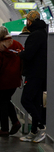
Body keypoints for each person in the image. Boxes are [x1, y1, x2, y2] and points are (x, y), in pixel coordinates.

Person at [0, 26, 23, 136]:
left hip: (3, 81)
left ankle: (5, 128)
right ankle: (15, 122)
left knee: (3, 103)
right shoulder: (16, 44)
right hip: (15, 79)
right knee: (6, 100)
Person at [17, 10, 48, 143]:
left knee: (26, 100)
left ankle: (41, 126)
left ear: (30, 21)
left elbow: (29, 54)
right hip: (40, 73)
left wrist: (20, 54)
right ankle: (34, 130)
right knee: (36, 102)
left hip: (35, 73)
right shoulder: (42, 33)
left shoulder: (35, 35)